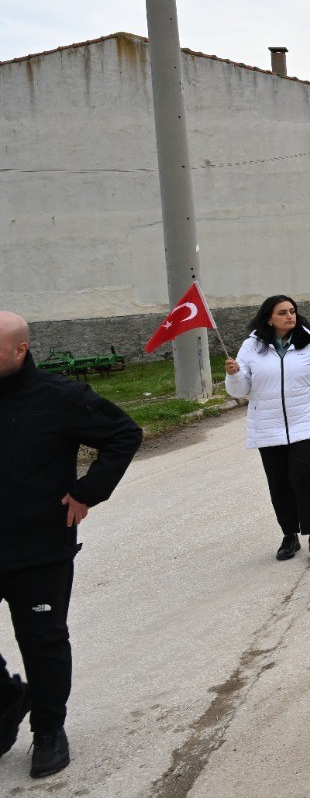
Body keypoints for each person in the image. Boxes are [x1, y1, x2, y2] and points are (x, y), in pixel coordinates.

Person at [0, 311, 141, 779]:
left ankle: (48, 730)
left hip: (38, 548)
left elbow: (124, 434)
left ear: (20, 351)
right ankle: (7, 700)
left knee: (42, 642)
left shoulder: (59, 397)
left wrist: (86, 492)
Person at [225, 296, 310, 564]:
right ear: (269, 318)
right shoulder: (251, 346)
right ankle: (289, 534)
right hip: (267, 426)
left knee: (302, 475)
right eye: (282, 312)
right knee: (279, 481)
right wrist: (234, 375)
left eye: (292, 311)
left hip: (305, 422)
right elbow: (240, 391)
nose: (289, 316)